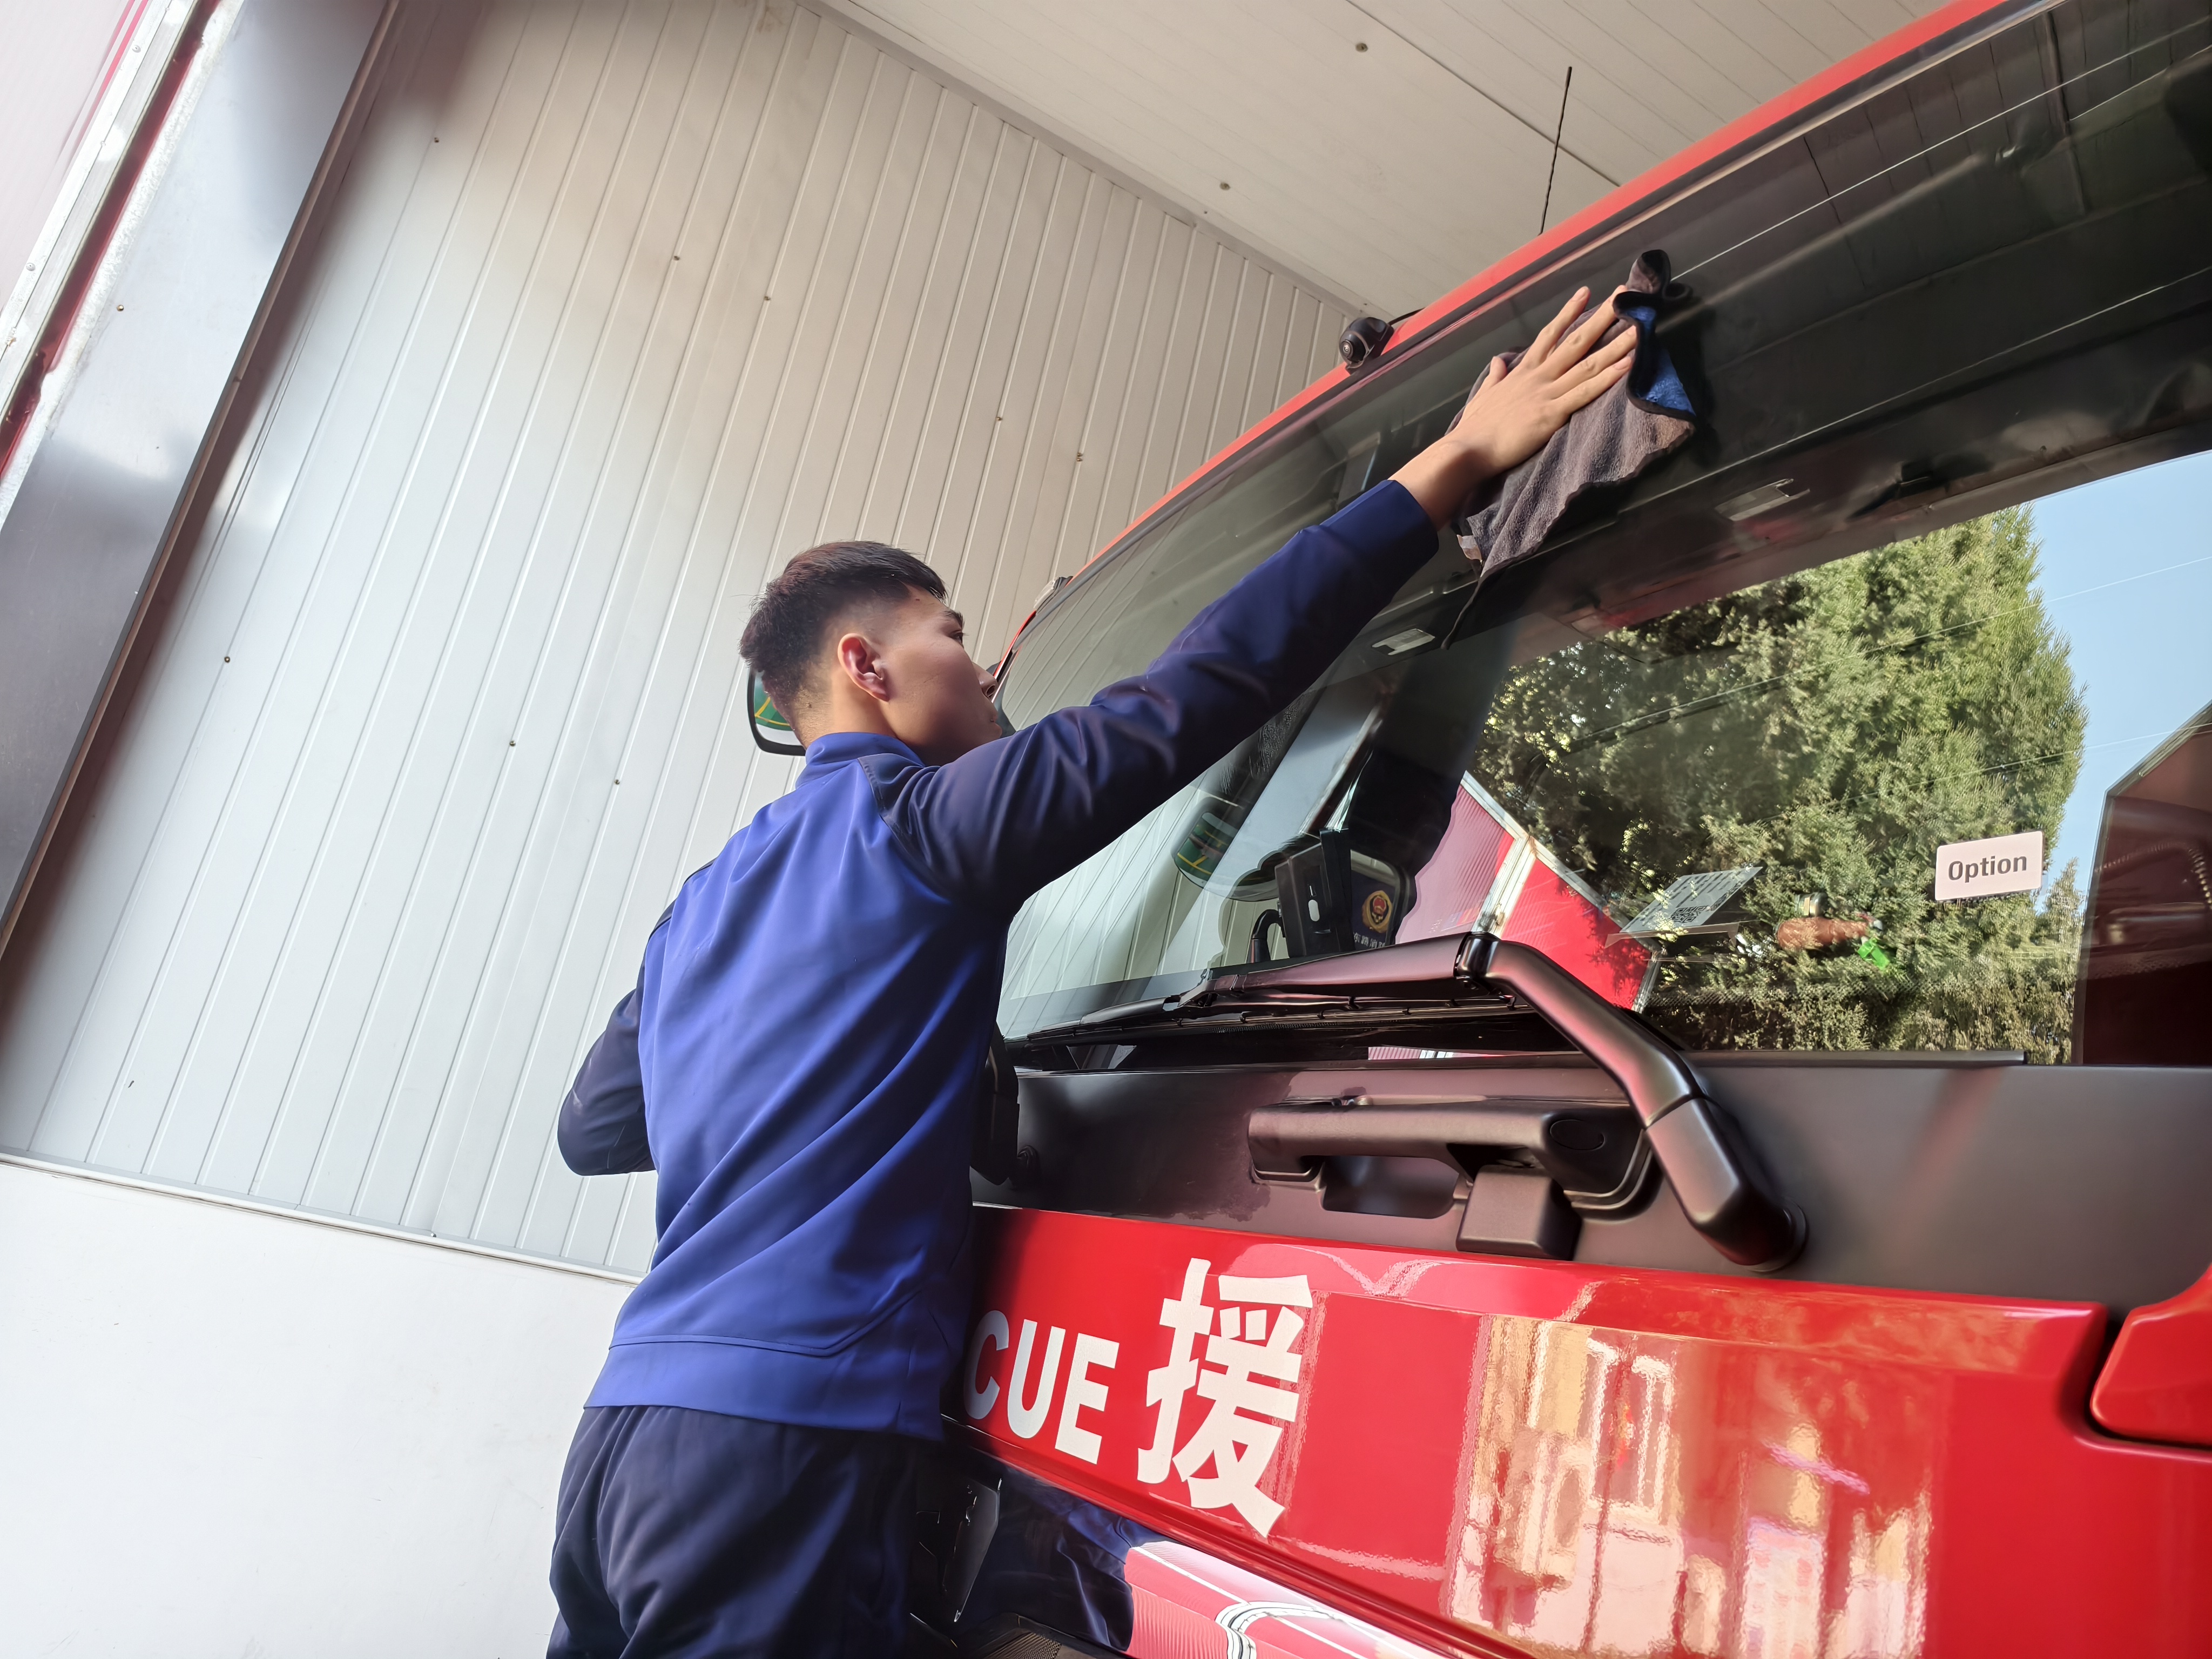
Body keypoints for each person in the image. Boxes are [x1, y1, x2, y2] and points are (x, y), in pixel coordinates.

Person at [545, 288, 1635, 1657]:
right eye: (950, 634)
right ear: (867, 666)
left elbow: (596, 1127)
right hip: (780, 1443)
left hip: (624, 1442)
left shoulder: (700, 905)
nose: (980, 668)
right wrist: (1457, 461)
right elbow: (1197, 691)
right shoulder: (921, 833)